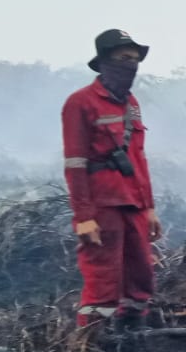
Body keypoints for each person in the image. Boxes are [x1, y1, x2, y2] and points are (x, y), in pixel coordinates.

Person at [61, 30, 161, 326]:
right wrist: (84, 217)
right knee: (103, 276)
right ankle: (93, 347)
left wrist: (149, 207)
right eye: (123, 58)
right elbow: (76, 164)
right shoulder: (80, 103)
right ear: (104, 61)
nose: (130, 65)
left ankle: (133, 337)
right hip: (102, 204)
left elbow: (138, 158)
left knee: (140, 273)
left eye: (134, 59)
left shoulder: (131, 104)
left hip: (134, 202)